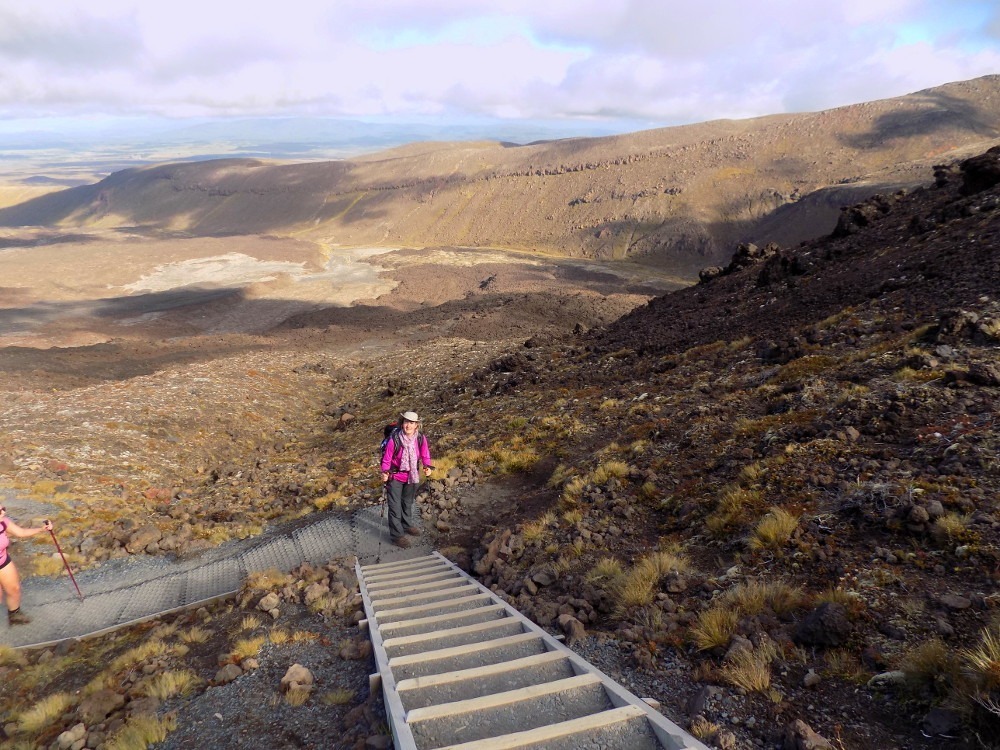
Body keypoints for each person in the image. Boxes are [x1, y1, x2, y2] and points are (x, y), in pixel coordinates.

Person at [380, 411, 433, 548]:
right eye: (406, 422)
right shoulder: (395, 439)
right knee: (394, 507)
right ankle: (397, 536)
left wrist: (427, 466)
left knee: (407, 502)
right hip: (395, 476)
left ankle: (407, 524)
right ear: (402, 423)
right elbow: (387, 458)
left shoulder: (420, 438)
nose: (408, 425)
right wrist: (385, 472)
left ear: (417, 425)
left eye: (411, 423)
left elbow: (425, 454)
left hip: (412, 475)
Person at [0, 504, 53, 626]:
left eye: (3, 509)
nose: (3, 513)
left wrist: (41, 529)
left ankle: (15, 615)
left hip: (3, 561)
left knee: (14, 589)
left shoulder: (3, 522)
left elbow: (21, 532)